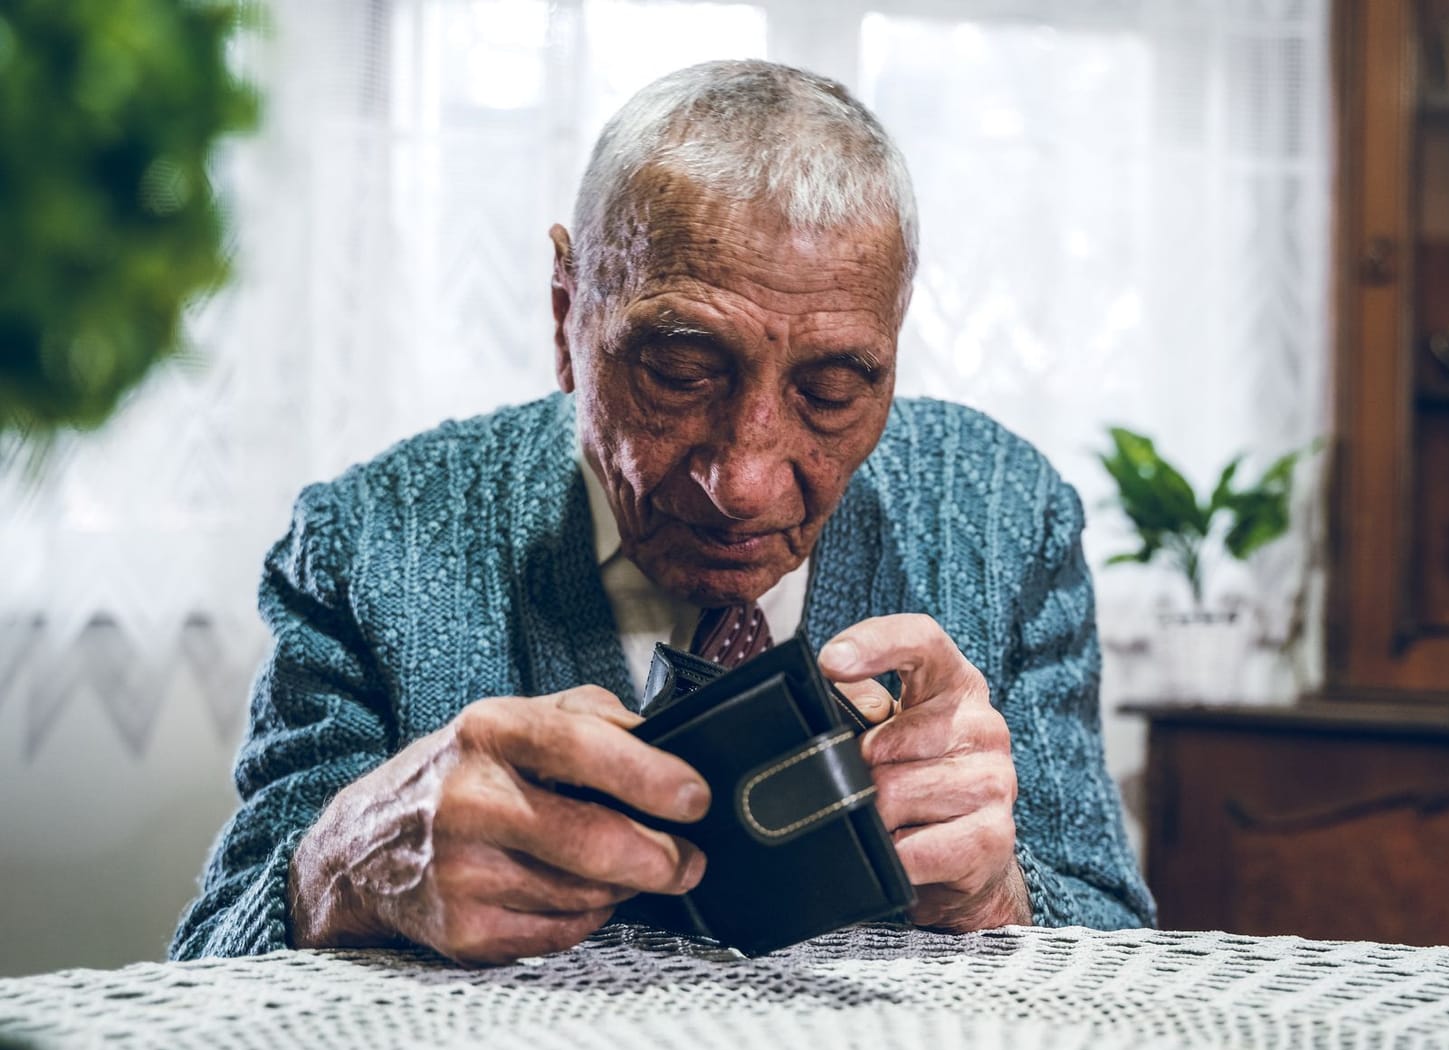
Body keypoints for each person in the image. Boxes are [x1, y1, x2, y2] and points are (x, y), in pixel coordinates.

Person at [171, 60, 1153, 966]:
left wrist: (998, 894)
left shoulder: (1005, 519)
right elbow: (204, 974)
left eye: (832, 388)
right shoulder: (368, 543)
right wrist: (342, 872)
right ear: (567, 315)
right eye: (680, 373)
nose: (747, 483)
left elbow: (1123, 949)